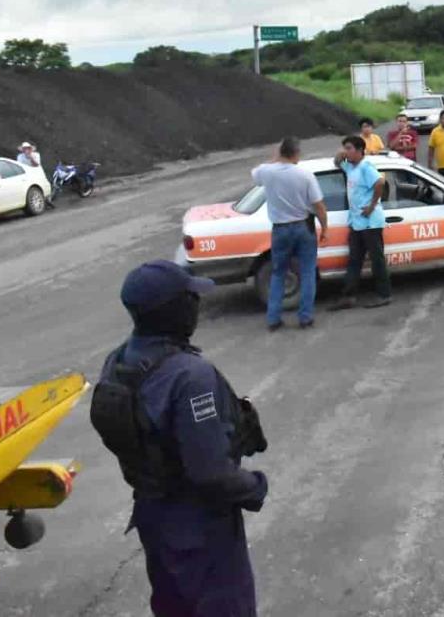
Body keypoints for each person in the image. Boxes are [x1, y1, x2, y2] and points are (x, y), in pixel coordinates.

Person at [90, 260, 268, 617]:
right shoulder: (190, 376)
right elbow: (210, 472)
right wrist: (255, 486)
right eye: (191, 298)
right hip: (200, 528)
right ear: (176, 309)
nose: (197, 306)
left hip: (154, 516)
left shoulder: (119, 361)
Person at [251, 137, 329, 331]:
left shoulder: (267, 172)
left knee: (278, 273)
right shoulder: (305, 175)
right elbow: (319, 205)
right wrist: (325, 228)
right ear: (296, 153)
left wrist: (275, 157)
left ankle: (273, 319)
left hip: (280, 229)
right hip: (303, 227)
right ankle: (305, 317)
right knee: (308, 272)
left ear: (280, 153)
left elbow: (256, 174)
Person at [331, 136, 390, 310]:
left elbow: (380, 182)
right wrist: (341, 152)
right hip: (357, 222)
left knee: (376, 259)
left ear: (359, 150)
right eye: (345, 148)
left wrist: (372, 206)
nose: (346, 152)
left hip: (370, 221)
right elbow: (337, 161)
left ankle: (384, 294)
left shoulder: (366, 167)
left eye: (349, 148)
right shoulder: (350, 167)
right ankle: (349, 296)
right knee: (354, 260)